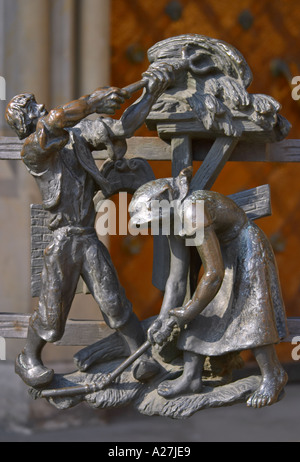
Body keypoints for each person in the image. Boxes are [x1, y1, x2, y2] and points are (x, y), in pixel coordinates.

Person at [5, 63, 174, 389]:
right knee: (53, 314)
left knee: (114, 300)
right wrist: (94, 101)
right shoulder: (34, 151)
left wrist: (151, 94)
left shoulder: (75, 137)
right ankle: (27, 357)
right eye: (32, 108)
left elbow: (123, 127)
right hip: (63, 240)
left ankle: (141, 359)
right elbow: (55, 119)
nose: (42, 107)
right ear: (25, 123)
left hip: (86, 236)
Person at [129, 168, 289, 408]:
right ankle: (191, 377)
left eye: (153, 220)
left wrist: (189, 310)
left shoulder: (192, 210)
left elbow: (214, 274)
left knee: (252, 314)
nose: (153, 227)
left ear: (165, 200)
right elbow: (177, 279)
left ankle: (273, 374)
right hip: (222, 257)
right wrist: (163, 319)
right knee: (197, 313)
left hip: (247, 250)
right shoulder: (171, 218)